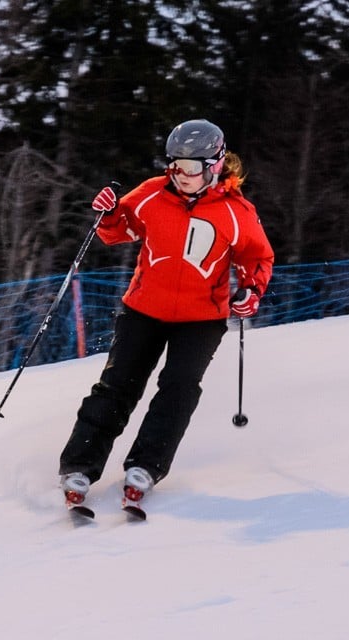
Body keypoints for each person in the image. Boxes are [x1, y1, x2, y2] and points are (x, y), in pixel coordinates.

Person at [58, 119, 275, 509]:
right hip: (144, 309)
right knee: (118, 385)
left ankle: (146, 466)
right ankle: (80, 465)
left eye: (191, 168)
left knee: (178, 389)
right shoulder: (151, 194)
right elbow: (117, 232)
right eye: (174, 165)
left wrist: (251, 291)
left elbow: (257, 258)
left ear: (215, 165)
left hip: (201, 320)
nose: (181, 175)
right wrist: (108, 214)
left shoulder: (236, 212)